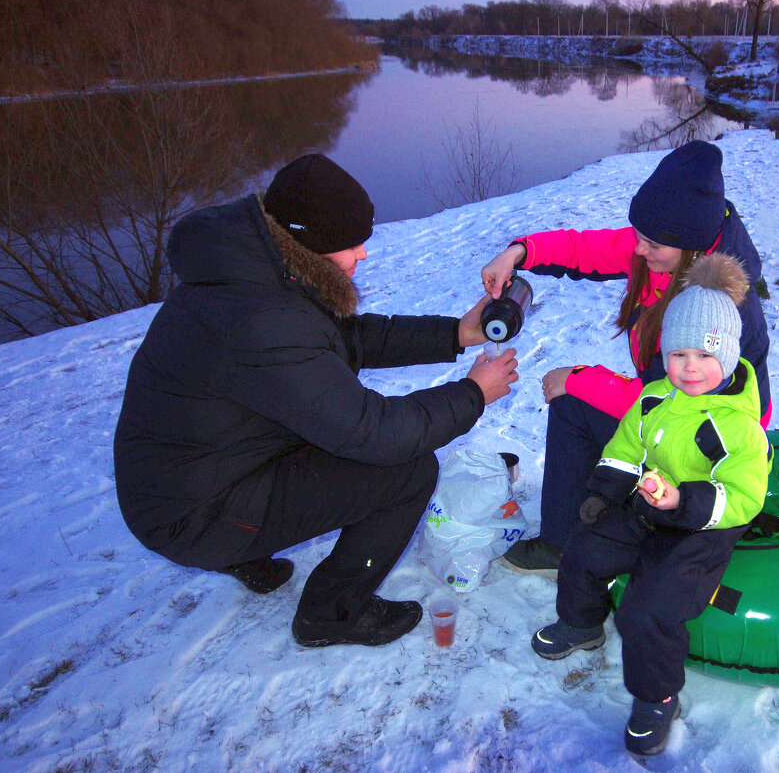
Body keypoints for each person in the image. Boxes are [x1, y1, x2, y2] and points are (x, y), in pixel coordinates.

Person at [113, 153, 518, 648]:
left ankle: (241, 551)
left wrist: (455, 333)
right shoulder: (262, 320)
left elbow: (348, 338)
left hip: (194, 473)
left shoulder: (257, 273)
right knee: (407, 471)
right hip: (190, 511)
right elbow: (374, 433)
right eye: (351, 243)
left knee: (323, 432)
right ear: (310, 244)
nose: (363, 254)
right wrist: (473, 393)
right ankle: (331, 613)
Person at [480, 140, 770, 576]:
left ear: (689, 245)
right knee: (581, 398)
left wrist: (577, 379)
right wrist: (518, 251)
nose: (638, 249)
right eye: (639, 237)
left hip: (711, 444)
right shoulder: (671, 252)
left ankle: (562, 546)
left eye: (651, 243)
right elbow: (585, 250)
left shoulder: (712, 310)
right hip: (679, 412)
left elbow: (674, 403)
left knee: (572, 403)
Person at [530, 254, 772, 756]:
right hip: (648, 505)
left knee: (647, 608)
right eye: (679, 354)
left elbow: (745, 497)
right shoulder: (653, 398)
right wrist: (603, 491)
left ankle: (657, 697)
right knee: (583, 551)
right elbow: (626, 447)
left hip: (702, 526)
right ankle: (580, 623)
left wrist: (684, 500)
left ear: (727, 357)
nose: (690, 368)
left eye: (705, 356)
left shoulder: (737, 426)